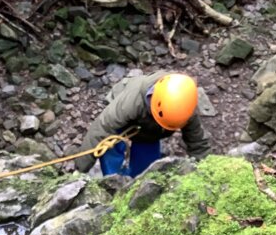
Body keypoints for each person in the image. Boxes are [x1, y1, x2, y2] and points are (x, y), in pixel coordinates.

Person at [75, 70, 210, 177]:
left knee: (145, 171)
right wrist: (79, 171)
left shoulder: (184, 107)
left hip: (150, 132)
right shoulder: (130, 103)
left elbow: (198, 142)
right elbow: (100, 129)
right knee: (111, 149)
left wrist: (206, 172)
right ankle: (112, 183)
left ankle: (135, 186)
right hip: (122, 120)